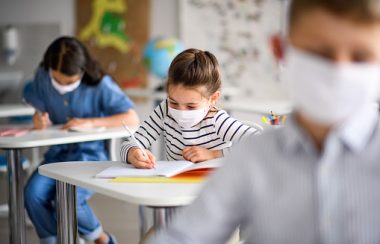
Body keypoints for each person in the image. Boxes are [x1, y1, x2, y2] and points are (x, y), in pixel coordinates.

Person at [149, 0, 380, 243]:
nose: (338, 71)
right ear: (281, 51)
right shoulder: (250, 159)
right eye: (319, 54)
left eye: (361, 57)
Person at [23, 36, 139, 244]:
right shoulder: (42, 77)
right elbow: (38, 107)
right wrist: (38, 119)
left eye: (69, 82)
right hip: (56, 156)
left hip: (91, 156)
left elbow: (131, 118)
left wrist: (91, 122)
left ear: (83, 71)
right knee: (33, 194)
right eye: (57, 79)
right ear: (49, 69)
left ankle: (102, 239)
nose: (62, 85)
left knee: (67, 200)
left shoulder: (100, 84)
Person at [120, 48, 259, 168]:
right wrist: (133, 153)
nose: (180, 111)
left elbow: (260, 143)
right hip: (175, 190)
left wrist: (214, 154)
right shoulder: (164, 110)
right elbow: (130, 143)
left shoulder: (217, 121)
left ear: (213, 99)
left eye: (191, 106)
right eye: (173, 102)